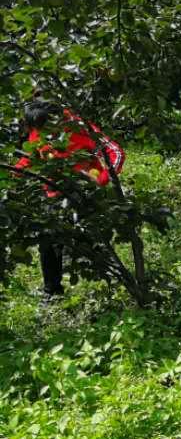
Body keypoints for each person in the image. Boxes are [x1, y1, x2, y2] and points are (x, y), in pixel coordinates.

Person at [13, 102, 125, 297]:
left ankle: (117, 283)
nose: (42, 132)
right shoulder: (39, 127)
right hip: (53, 192)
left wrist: (101, 179)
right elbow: (33, 155)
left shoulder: (79, 127)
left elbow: (115, 151)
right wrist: (14, 173)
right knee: (48, 239)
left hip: (83, 191)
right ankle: (52, 292)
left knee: (93, 240)